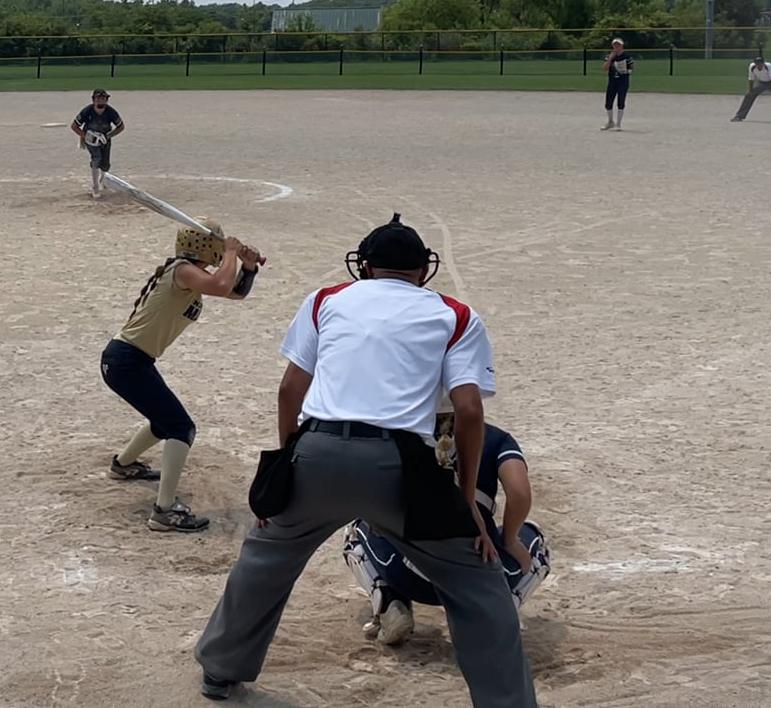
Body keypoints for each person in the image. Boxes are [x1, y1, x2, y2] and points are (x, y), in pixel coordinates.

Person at [193, 214, 534, 707]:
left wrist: (287, 470)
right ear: (423, 270)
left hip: (318, 452)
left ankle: (220, 670)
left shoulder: (326, 299)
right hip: (402, 470)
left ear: (366, 267)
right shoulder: (456, 314)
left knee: (266, 558)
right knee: (476, 583)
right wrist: (467, 507)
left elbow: (290, 391)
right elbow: (468, 411)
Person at [102, 219, 262, 533]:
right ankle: (164, 512)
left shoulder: (192, 275)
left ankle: (123, 465)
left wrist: (249, 267)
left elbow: (234, 292)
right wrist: (231, 253)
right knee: (180, 427)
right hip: (126, 361)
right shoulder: (182, 270)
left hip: (133, 360)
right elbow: (221, 285)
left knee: (165, 421)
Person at [343, 420, 551, 645]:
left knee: (358, 529)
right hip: (479, 580)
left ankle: (390, 601)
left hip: (406, 573)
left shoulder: (403, 431)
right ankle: (493, 614)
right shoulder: (496, 439)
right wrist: (509, 540)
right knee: (534, 539)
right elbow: (520, 493)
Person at [70, 89, 124, 198]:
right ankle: (95, 187)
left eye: (103, 99)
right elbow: (74, 126)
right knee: (96, 158)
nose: (100, 101)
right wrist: (86, 136)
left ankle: (103, 180)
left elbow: (121, 127)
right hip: (90, 139)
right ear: (93, 100)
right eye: (98, 99)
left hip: (104, 139)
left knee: (105, 165)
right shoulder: (87, 111)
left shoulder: (111, 112)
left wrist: (107, 136)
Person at [731, 52, 771, 123]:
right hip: (761, 82)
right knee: (749, 96)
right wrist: (750, 90)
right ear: (755, 63)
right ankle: (739, 116)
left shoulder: (768, 66)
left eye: (760, 64)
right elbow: (751, 79)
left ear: (763, 63)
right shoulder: (752, 67)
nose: (759, 65)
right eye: (757, 64)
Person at [600, 38, 632, 131]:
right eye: (615, 45)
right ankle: (610, 122)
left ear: (622, 46)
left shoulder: (626, 56)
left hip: (623, 81)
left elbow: (631, 68)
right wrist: (610, 58)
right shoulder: (609, 56)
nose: (616, 46)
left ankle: (618, 124)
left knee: (620, 102)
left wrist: (626, 71)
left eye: (618, 45)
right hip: (612, 81)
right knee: (608, 103)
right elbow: (604, 68)